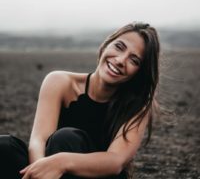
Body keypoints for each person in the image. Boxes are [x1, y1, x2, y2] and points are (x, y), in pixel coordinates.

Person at [0, 22, 160, 179]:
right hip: (54, 170)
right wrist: (42, 170)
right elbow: (39, 140)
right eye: (119, 47)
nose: (120, 60)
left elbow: (116, 161)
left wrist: (62, 162)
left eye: (134, 60)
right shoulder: (59, 82)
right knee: (5, 147)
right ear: (105, 45)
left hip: (99, 175)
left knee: (65, 139)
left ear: (139, 73)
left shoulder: (138, 104)